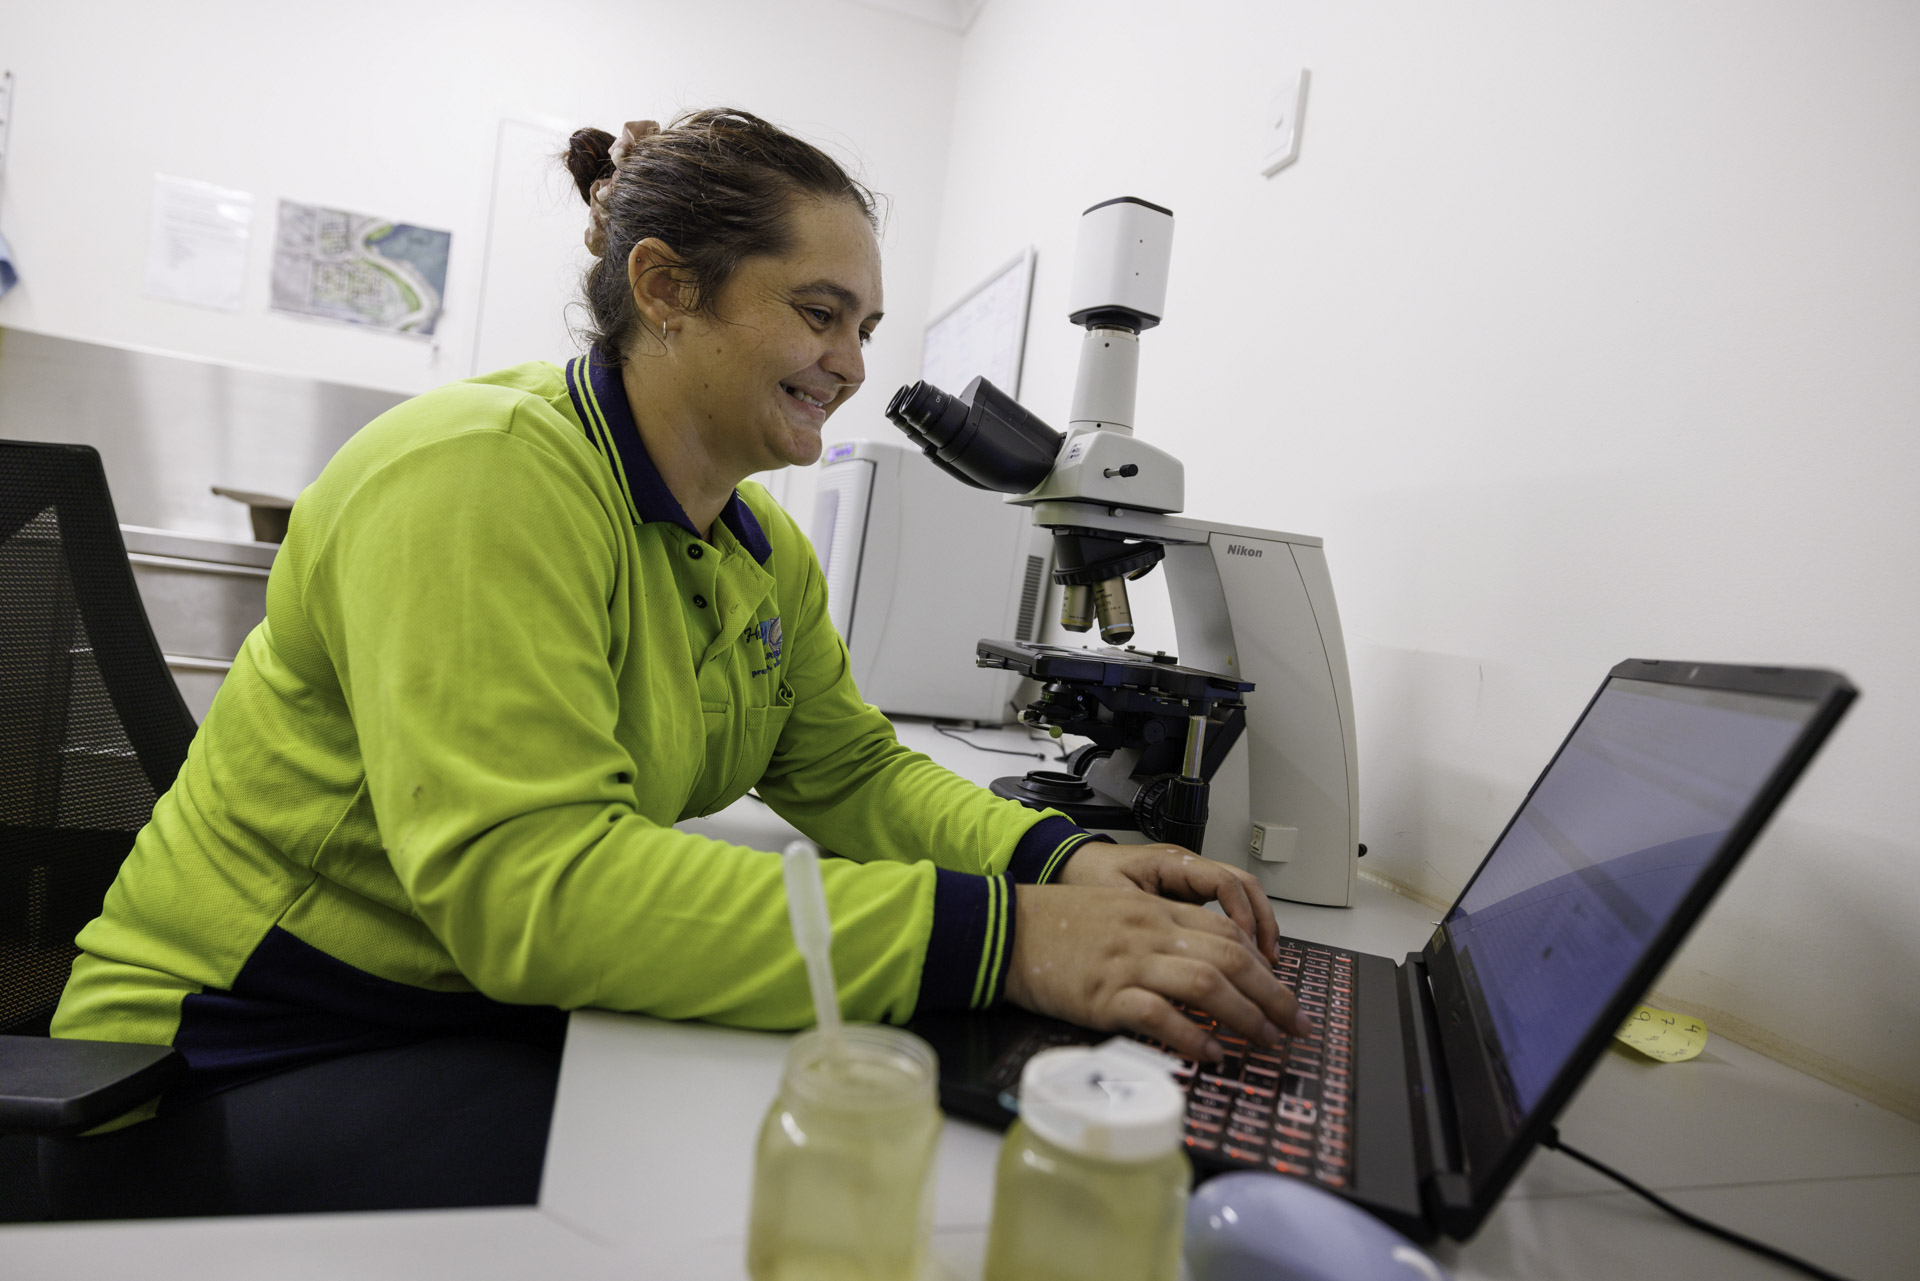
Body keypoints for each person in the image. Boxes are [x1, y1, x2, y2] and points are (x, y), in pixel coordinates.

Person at [42, 109, 1303, 1218]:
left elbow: (851, 769)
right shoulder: (481, 475)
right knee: (719, 1178)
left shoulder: (757, 550)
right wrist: (1010, 940)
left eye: (862, 326)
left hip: (447, 1002)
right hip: (228, 1050)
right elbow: (533, 892)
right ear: (664, 287)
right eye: (819, 314)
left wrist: (1057, 858)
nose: (855, 364)